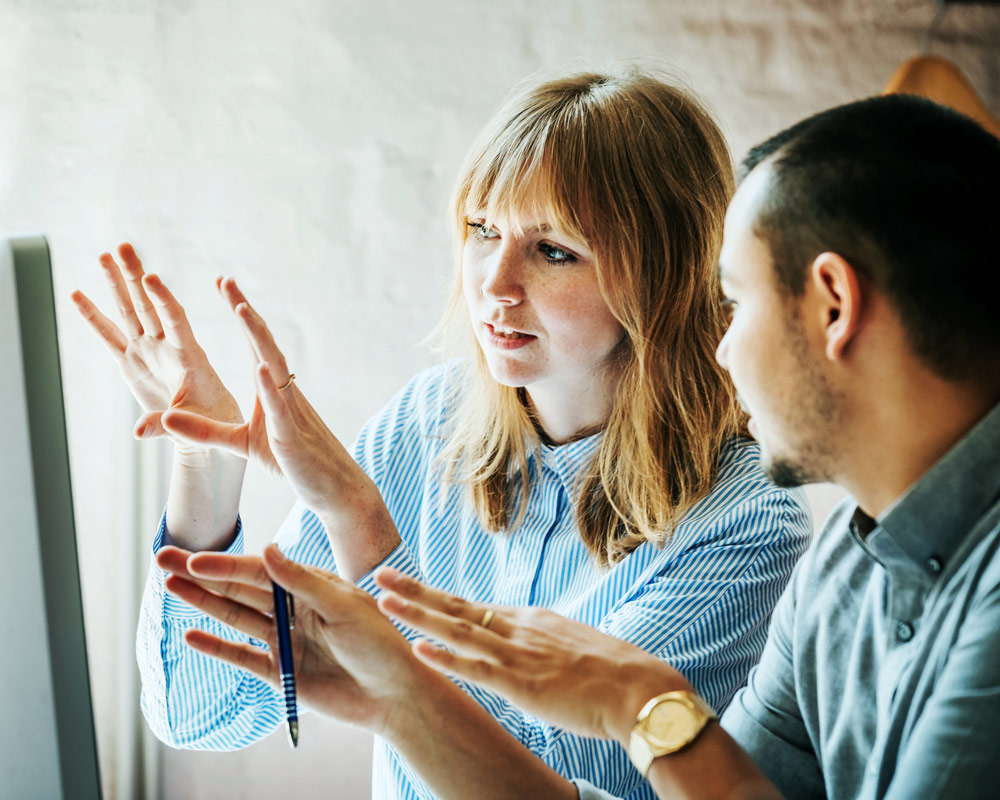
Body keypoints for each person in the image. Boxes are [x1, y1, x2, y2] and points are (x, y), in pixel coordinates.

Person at [73, 69, 812, 799]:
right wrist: (205, 459)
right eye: (482, 230)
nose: (493, 282)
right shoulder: (427, 423)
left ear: (664, 275)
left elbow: (543, 779)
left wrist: (357, 520)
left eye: (554, 249)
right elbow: (205, 714)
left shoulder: (746, 518)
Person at [339, 94, 1000, 799]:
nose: (721, 349)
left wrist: (643, 703)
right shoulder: (842, 567)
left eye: (737, 304)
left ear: (833, 306)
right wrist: (401, 702)